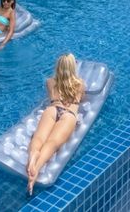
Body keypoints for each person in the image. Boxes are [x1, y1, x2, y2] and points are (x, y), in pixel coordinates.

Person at [26, 53, 85, 196]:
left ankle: (33, 155)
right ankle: (35, 172)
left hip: (52, 109)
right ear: (73, 67)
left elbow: (51, 97)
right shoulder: (80, 84)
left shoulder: (50, 82)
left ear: (58, 67)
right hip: (68, 115)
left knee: (38, 139)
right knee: (52, 143)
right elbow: (81, 100)